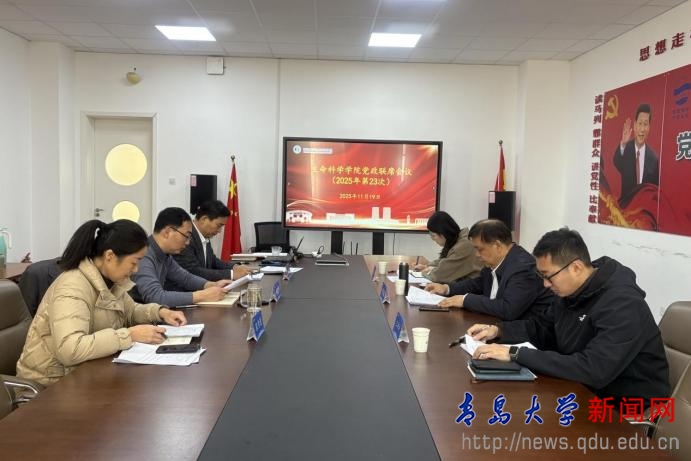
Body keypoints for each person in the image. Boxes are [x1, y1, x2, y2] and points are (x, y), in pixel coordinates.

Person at [469, 227, 669, 408]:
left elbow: (594, 369)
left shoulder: (623, 304)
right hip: (580, 389)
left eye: (548, 276)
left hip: (623, 408)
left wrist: (515, 353)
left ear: (576, 268)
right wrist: (499, 330)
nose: (545, 285)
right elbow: (543, 327)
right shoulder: (570, 292)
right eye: (541, 277)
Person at [16, 219, 187, 387]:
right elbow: (70, 349)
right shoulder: (72, 287)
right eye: (134, 262)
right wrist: (129, 335)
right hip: (50, 385)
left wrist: (160, 312)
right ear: (110, 256)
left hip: (83, 374)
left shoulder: (109, 280)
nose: (136, 270)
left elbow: (130, 311)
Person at [425, 219, 552, 320]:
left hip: (525, 337)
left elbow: (508, 309)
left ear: (497, 246)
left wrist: (465, 300)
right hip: (494, 324)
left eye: (479, 249)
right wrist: (447, 288)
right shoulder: (495, 262)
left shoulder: (523, 268)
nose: (477, 255)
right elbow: (478, 283)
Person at [130, 207, 232, 307]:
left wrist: (210, 285)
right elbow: (155, 297)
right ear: (167, 232)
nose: (187, 242)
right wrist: (201, 296)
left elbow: (185, 278)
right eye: (186, 236)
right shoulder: (143, 255)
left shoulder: (165, 254)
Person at [168, 200, 252, 290]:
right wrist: (232, 274)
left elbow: (213, 261)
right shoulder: (186, 237)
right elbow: (193, 271)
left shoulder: (204, 235)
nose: (220, 231)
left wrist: (235, 267)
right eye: (219, 225)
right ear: (204, 219)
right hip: (183, 293)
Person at [413, 211, 481, 284]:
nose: (432, 239)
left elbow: (439, 276)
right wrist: (427, 266)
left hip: (471, 288)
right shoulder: (458, 240)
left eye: (433, 235)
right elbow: (446, 261)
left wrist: (426, 271)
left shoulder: (462, 246)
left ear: (443, 233)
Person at [613, 103, 659, 203]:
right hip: (625, 208)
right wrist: (623, 144)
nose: (642, 129)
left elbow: (655, 190)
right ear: (634, 125)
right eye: (640, 123)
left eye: (645, 124)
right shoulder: (626, 149)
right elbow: (617, 162)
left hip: (644, 209)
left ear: (649, 127)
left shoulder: (654, 159)